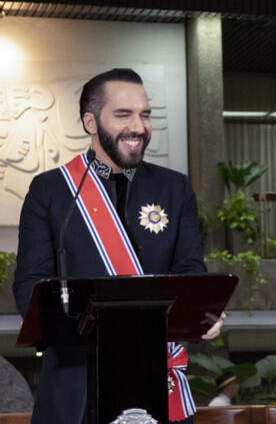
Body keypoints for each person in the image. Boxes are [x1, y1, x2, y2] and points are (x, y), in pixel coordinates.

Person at [13, 68, 223, 423]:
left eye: (145, 114)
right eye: (123, 114)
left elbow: (190, 270)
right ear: (90, 123)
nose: (138, 127)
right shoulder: (50, 191)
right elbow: (29, 286)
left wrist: (204, 310)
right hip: (76, 381)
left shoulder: (175, 188)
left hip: (155, 376)